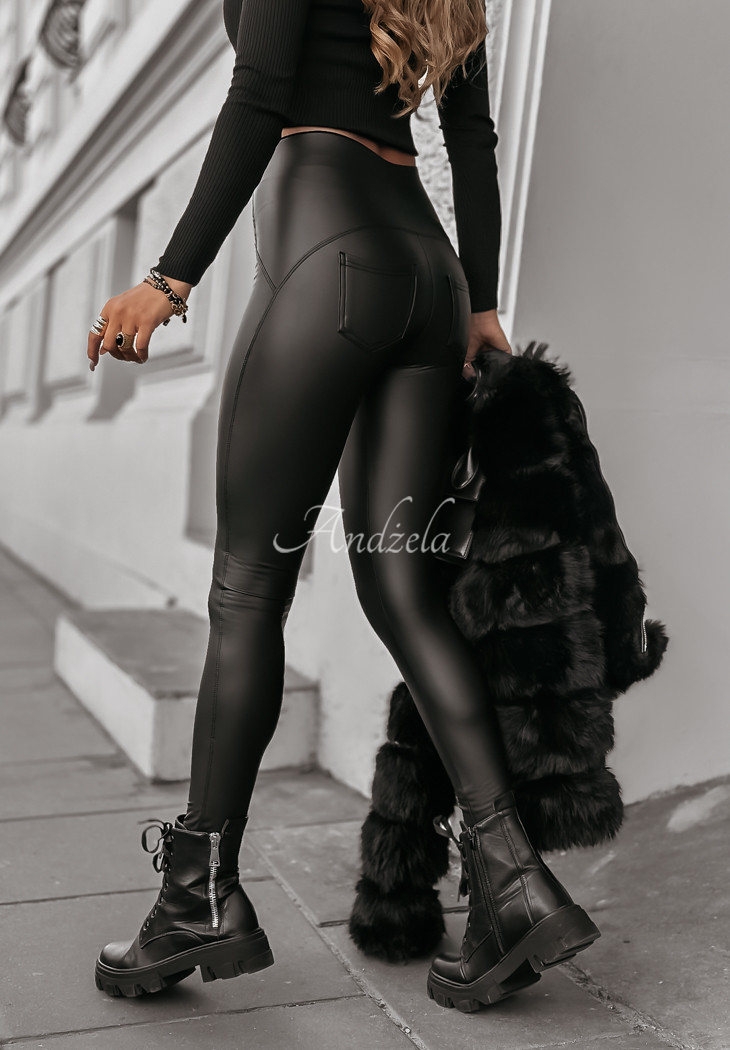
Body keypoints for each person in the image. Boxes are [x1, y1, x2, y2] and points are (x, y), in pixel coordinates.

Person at [87, 0, 599, 1011]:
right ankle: (512, 881)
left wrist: (167, 277)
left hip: (326, 255)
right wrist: (480, 303)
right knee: (403, 590)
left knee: (247, 590)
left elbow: (258, 95)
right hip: (428, 276)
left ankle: (196, 898)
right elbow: (473, 137)